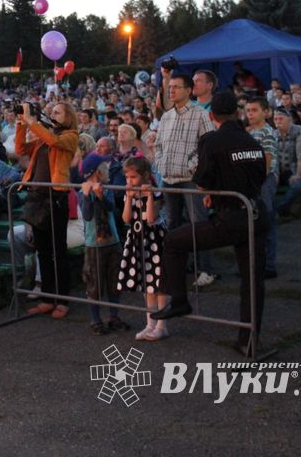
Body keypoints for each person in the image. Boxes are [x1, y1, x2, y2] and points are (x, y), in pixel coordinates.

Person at [151, 92, 269, 358]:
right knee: (252, 281)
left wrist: (211, 192)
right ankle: (249, 340)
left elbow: (202, 177)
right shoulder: (252, 140)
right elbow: (261, 176)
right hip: (256, 213)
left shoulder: (212, 141)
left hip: (231, 217)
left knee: (172, 241)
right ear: (237, 113)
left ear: (211, 116)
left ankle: (179, 300)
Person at [15, 101, 78, 319]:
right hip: (37, 196)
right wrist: (22, 124)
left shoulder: (71, 135)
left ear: (69, 117)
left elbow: (54, 140)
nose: (52, 114)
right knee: (42, 250)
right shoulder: (43, 137)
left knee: (57, 251)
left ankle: (63, 299)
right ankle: (48, 298)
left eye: (57, 112)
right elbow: (20, 149)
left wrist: (33, 122)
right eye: (51, 112)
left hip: (56, 197)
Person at [153, 74, 217, 286]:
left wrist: (192, 167)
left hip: (190, 178)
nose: (171, 91)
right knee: (171, 223)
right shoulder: (166, 117)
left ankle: (206, 269)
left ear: (188, 90)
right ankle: (177, 265)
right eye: (170, 87)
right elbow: (159, 145)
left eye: (176, 87)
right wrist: (162, 164)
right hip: (169, 177)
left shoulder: (201, 115)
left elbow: (208, 146)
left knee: (198, 222)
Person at [116, 157, 169, 341]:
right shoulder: (129, 193)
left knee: (158, 283)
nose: (129, 181)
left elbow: (151, 219)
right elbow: (125, 219)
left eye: (133, 177)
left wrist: (148, 197)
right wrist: (129, 198)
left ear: (144, 176)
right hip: (136, 239)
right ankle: (150, 324)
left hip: (154, 239)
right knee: (147, 285)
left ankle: (161, 325)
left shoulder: (155, 193)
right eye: (127, 177)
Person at [78, 153, 128, 336]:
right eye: (104, 167)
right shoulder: (82, 191)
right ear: (97, 172)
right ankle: (95, 319)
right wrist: (86, 195)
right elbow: (87, 215)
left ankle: (114, 316)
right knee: (94, 283)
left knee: (114, 281)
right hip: (94, 244)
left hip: (112, 241)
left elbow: (112, 210)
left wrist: (101, 196)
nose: (107, 169)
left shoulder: (106, 189)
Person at [244, 97, 279, 279]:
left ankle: (269, 264)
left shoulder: (267, 132)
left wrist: (257, 181)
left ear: (265, 112)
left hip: (264, 181)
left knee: (267, 220)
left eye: (254, 110)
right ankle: (252, 263)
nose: (250, 113)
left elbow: (267, 159)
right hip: (250, 181)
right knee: (251, 223)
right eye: (248, 110)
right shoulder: (247, 132)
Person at [273, 108, 301, 216]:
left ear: (289, 119)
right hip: (279, 170)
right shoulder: (274, 134)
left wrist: (298, 174)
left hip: (296, 169)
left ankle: (278, 210)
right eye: (275, 119)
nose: (278, 121)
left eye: (281, 118)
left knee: (297, 185)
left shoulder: (299, 130)